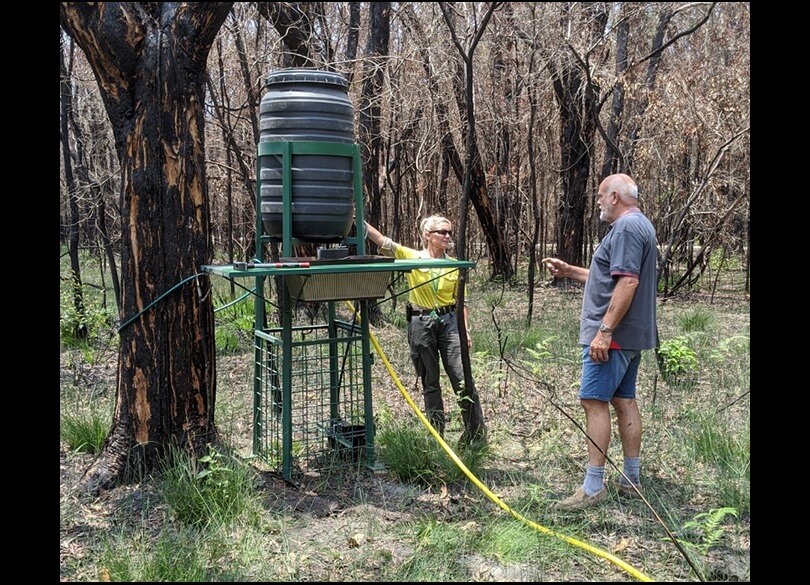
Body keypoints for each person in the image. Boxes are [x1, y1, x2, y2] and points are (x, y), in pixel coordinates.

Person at [542, 173, 658, 511]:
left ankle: (593, 486)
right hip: (632, 335)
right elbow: (612, 276)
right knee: (624, 400)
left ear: (616, 197)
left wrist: (605, 331)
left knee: (594, 401)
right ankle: (631, 478)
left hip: (615, 336)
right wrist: (569, 272)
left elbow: (628, 283)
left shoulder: (624, 229)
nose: (597, 202)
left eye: (601, 195)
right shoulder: (640, 226)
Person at [364, 215, 487, 445]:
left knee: (462, 378)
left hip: (449, 323)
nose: (447, 236)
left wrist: (465, 330)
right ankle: (436, 434)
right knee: (430, 380)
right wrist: (356, 219)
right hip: (420, 323)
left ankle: (475, 433)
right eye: (442, 232)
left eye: (449, 232)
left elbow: (463, 302)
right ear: (427, 236)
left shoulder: (454, 264)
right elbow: (384, 242)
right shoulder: (413, 257)